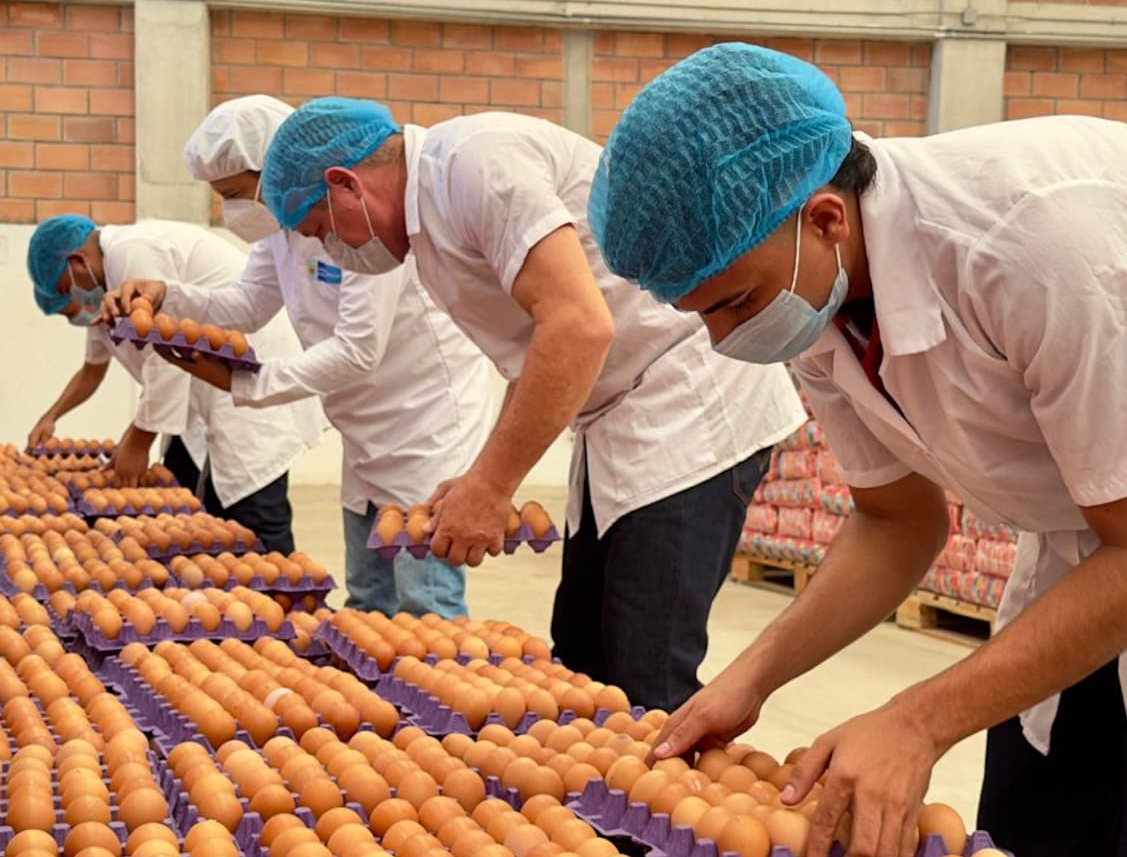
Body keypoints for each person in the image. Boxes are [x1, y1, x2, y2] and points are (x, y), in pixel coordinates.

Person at [589, 42, 1127, 857]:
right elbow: (895, 520)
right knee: (1032, 846)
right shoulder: (815, 291)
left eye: (732, 303)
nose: (725, 341)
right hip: (1096, 548)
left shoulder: (1037, 241)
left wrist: (918, 720)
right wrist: (749, 678)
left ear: (827, 217)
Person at [256, 97, 807, 711]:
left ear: (345, 184)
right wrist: (479, 476)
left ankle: (685, 805)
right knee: (583, 657)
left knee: (645, 674)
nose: (333, 251)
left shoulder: (473, 163)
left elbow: (579, 325)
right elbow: (536, 352)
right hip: (619, 418)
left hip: (690, 404)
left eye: (323, 231)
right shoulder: (431, 220)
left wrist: (492, 486)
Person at [107, 95, 497, 618]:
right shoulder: (283, 230)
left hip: (422, 423)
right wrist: (166, 295)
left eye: (238, 194)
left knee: (426, 602)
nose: (233, 211)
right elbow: (245, 304)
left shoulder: (355, 223)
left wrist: (247, 385)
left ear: (277, 170)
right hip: (364, 424)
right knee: (368, 601)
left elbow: (359, 350)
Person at [26, 213, 325, 553]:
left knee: (251, 505)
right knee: (189, 500)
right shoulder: (106, 289)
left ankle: (282, 596)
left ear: (78, 261)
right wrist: (51, 416)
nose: (78, 304)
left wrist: (137, 442)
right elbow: (92, 369)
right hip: (205, 382)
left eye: (68, 290)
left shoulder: (131, 252)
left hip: (251, 363)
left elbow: (163, 354)